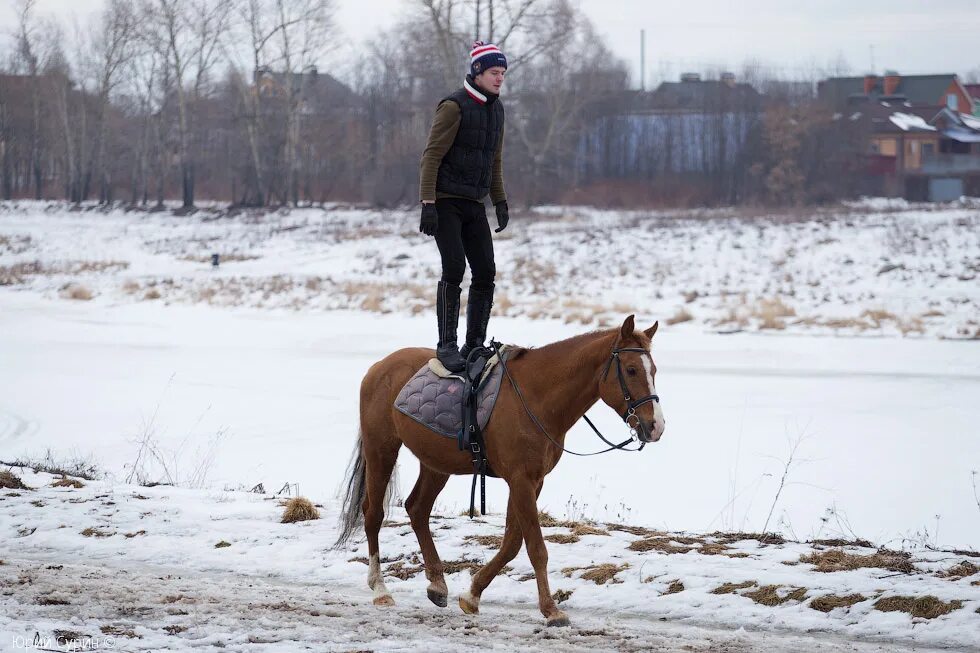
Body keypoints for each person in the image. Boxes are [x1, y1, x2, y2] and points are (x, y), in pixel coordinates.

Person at [419, 41, 509, 373]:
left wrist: (499, 200)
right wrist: (428, 202)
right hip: (445, 202)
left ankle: (474, 345)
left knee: (485, 270)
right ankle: (446, 345)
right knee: (455, 267)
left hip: (474, 203)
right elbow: (431, 156)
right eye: (494, 73)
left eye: (502, 73)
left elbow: (494, 160)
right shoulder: (454, 106)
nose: (499, 79)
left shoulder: (497, 110)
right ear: (477, 73)